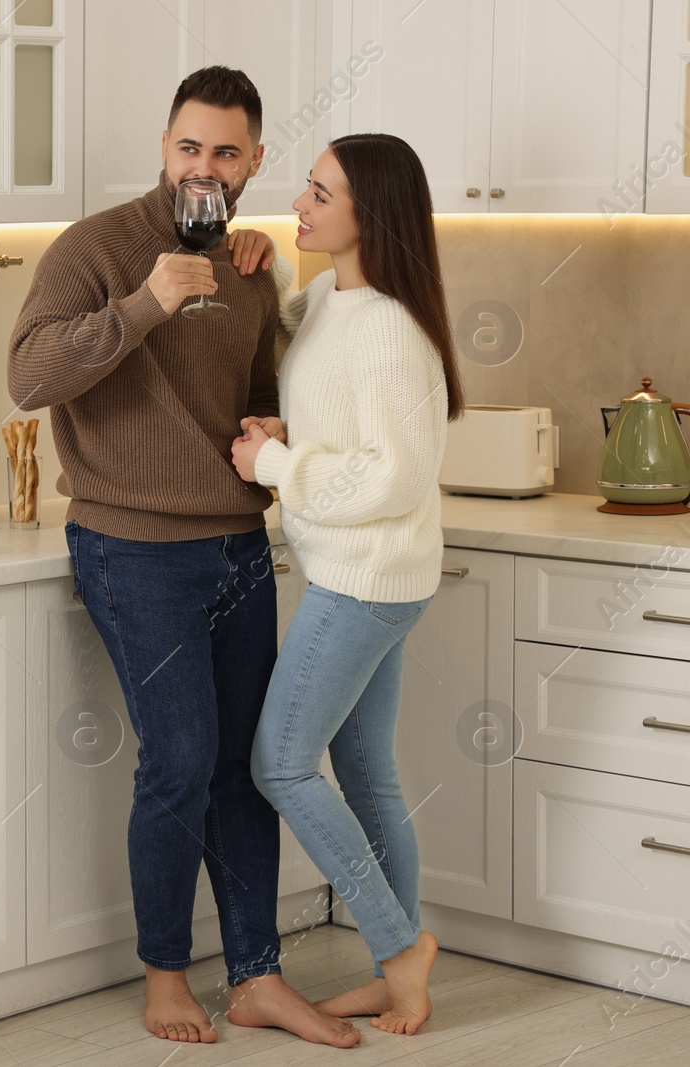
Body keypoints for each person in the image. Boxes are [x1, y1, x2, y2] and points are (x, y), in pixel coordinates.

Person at [9, 65, 360, 1049]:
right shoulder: (98, 248)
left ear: (251, 162)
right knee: (178, 760)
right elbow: (29, 376)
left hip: (237, 545)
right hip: (133, 548)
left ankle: (255, 975)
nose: (202, 166)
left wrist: (277, 426)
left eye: (225, 151)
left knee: (244, 766)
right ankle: (168, 972)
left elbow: (259, 390)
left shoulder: (252, 265)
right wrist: (144, 303)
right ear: (163, 148)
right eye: (187, 147)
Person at [231, 132, 464, 1036]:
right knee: (367, 777)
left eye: (321, 194)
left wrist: (278, 461)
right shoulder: (327, 297)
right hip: (359, 570)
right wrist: (253, 259)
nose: (301, 203)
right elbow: (308, 368)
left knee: (280, 761)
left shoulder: (396, 330)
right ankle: (394, 969)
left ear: (372, 213)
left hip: (364, 579)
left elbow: (395, 475)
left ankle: (402, 947)